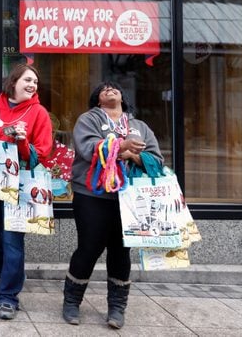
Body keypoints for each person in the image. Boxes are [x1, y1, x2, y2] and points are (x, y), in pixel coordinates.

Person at [62, 81, 162, 329]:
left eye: (114, 88)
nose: (109, 89)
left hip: (129, 200)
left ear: (123, 98)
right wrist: (120, 147)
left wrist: (133, 155)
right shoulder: (89, 119)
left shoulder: (140, 127)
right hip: (92, 195)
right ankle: (71, 301)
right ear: (98, 100)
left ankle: (117, 308)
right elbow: (87, 148)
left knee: (120, 252)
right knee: (88, 249)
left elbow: (157, 161)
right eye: (103, 89)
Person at [0, 64, 52, 320]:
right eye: (28, 80)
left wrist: (22, 141)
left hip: (21, 185)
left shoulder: (39, 113)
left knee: (12, 240)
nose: (32, 85)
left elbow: (42, 154)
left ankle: (8, 296)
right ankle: (12, 275)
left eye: (35, 82)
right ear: (13, 81)